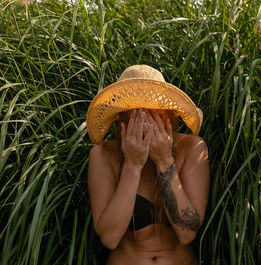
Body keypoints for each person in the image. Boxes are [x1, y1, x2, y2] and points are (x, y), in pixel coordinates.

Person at [86, 65, 210, 265]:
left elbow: (187, 233)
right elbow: (110, 238)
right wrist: (132, 166)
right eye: (134, 112)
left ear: (167, 113)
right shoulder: (103, 155)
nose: (144, 119)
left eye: (153, 111)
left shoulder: (192, 148)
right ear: (121, 117)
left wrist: (164, 161)